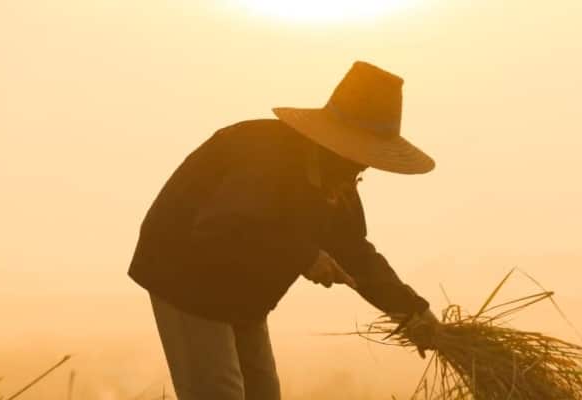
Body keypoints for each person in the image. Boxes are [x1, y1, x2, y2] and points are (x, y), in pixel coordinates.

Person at [128, 61, 438, 400]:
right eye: (358, 152)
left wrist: (412, 311)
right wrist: (303, 256)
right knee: (220, 392)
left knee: (263, 394)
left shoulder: (338, 179)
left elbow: (354, 252)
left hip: (247, 289)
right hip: (185, 275)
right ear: (332, 141)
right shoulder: (262, 155)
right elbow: (222, 226)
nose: (362, 165)